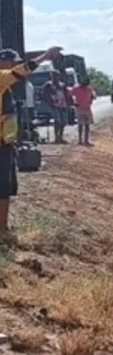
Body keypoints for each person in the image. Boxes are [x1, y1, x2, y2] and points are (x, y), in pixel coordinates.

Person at [0, 46, 63, 234]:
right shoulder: (2, 77)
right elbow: (23, 70)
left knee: (5, 187)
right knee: (2, 188)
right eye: (13, 62)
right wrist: (46, 56)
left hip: (5, 143)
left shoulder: (5, 86)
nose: (15, 65)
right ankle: (2, 230)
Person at [42, 72, 71, 144]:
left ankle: (60, 137)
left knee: (63, 122)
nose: (55, 77)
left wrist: (68, 103)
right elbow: (44, 95)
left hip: (63, 105)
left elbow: (66, 94)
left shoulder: (62, 85)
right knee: (57, 121)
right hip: (55, 105)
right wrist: (49, 103)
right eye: (53, 76)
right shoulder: (48, 85)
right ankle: (56, 137)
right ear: (51, 76)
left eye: (57, 76)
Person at [70, 78, 96, 146]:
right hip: (79, 108)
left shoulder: (89, 89)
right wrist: (73, 103)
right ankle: (80, 140)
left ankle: (86, 140)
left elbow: (93, 96)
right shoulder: (76, 88)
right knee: (80, 124)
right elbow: (70, 95)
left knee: (87, 125)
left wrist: (90, 101)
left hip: (87, 108)